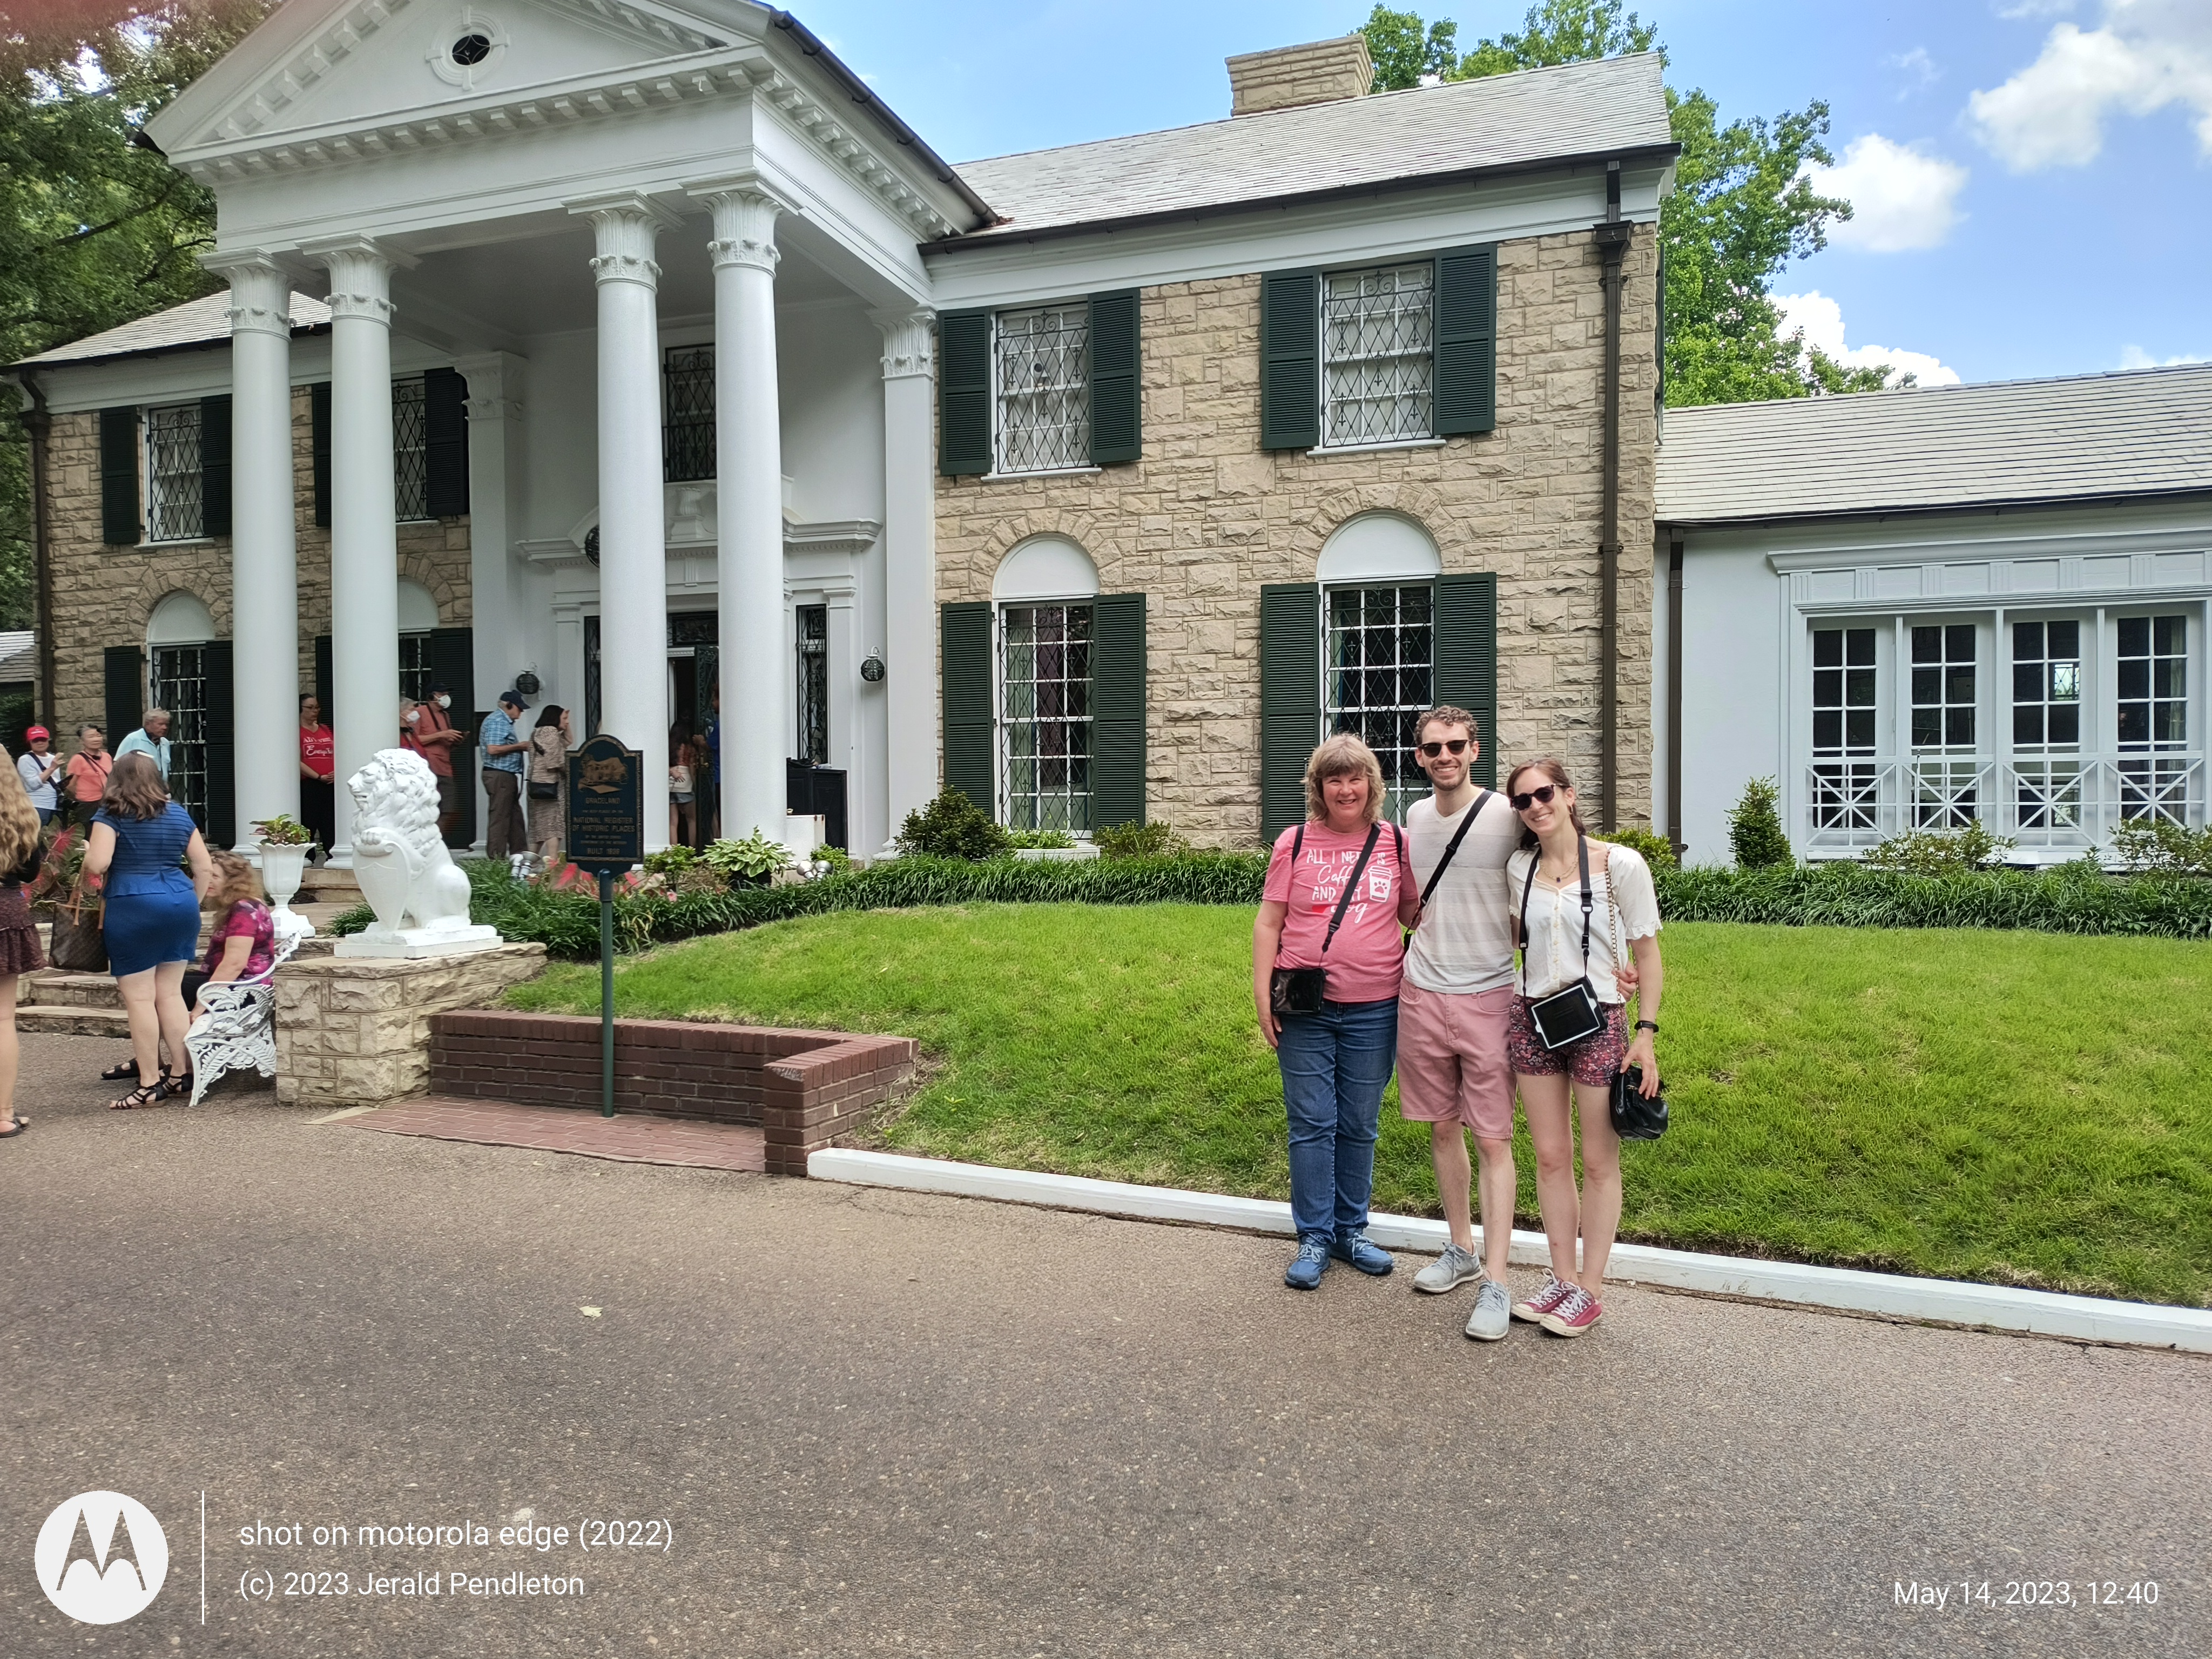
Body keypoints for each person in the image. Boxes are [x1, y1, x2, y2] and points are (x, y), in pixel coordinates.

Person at [1503, 757, 1665, 1339]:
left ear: (1568, 796)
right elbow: (1513, 938)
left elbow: (1646, 955)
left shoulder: (1619, 864)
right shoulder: (1518, 866)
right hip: (1532, 1019)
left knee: (1598, 1161)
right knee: (1550, 1156)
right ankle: (1562, 1278)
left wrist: (1645, 1034)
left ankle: (1590, 1290)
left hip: (1599, 1020)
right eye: (1522, 800)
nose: (1535, 806)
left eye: (1544, 793)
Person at [1253, 733, 1419, 1290]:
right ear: (1319, 788)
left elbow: (1415, 914)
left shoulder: (1396, 843)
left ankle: (1351, 1230)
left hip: (1376, 1005)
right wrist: (1260, 993)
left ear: (1371, 785)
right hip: (1303, 1005)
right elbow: (1269, 922)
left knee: (1358, 1123)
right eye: (1334, 779)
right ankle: (1315, 1236)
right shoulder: (1294, 843)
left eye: (1355, 778)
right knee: (1310, 1123)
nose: (1345, 788)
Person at [1396, 705, 1529, 1341]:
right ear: (1418, 757)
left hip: (1489, 994)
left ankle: (1498, 1281)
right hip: (1420, 992)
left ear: (1476, 750)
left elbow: (1557, 872)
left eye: (1454, 746)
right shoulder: (1415, 818)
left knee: (1493, 1139)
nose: (1443, 756)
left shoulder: (1509, 815)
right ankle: (1460, 1251)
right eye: (1431, 749)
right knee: (1442, 1130)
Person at [85, 752, 213, 1109]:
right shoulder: (177, 812)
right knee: (169, 994)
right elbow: (204, 867)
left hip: (133, 904)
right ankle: (183, 1073)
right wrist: (193, 902)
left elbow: (99, 863)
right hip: (179, 903)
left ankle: (149, 1082)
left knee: (140, 999)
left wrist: (86, 856)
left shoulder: (111, 814)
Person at [0, 748, 46, 1137]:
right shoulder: (22, 817)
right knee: (2, 1019)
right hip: (5, 909)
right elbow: (32, 870)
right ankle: (3, 1114)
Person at [187, 850, 276, 1015]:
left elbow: (234, 964)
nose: (208, 882)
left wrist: (201, 1005)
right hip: (234, 983)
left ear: (233, 882)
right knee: (166, 985)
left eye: (215, 876)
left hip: (242, 989)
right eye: (206, 876)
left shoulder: (245, 909)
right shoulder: (243, 905)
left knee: (165, 992)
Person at [407, 681, 466, 844]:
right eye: (441, 694)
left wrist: (455, 740)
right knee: (425, 809)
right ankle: (425, 843)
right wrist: (441, 735)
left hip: (445, 767)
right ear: (432, 696)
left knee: (449, 808)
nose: (446, 697)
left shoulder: (446, 716)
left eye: (447, 694)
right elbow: (412, 740)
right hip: (427, 768)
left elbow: (444, 739)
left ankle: (435, 841)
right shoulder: (418, 712)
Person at [480, 689, 531, 861]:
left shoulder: (504, 722)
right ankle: (496, 861)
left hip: (506, 776)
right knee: (500, 819)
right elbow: (492, 749)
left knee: (515, 818)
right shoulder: (497, 721)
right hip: (499, 775)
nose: (521, 712)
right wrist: (519, 746)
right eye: (519, 708)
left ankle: (521, 855)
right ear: (509, 705)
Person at [527, 705, 570, 868]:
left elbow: (568, 741)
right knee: (553, 824)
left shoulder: (536, 733)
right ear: (555, 718)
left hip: (536, 786)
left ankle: (528, 865)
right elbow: (556, 761)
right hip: (551, 786)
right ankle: (552, 864)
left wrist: (566, 724)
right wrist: (572, 772)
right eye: (564, 719)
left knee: (538, 827)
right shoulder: (551, 733)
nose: (567, 723)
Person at [298, 694, 335, 857]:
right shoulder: (297, 731)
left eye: (317, 707)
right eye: (310, 708)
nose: (315, 711)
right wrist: (318, 776)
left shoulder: (325, 730)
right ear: (300, 709)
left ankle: (332, 853)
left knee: (330, 823)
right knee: (309, 823)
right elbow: (296, 760)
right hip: (311, 783)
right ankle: (308, 856)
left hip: (331, 783)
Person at [65, 724, 112, 831]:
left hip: (106, 801)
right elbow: (70, 785)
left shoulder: (107, 756)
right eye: (91, 737)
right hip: (87, 804)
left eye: (98, 735)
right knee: (87, 833)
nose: (96, 739)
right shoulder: (78, 759)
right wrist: (82, 797)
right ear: (82, 741)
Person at [17, 727, 62, 826]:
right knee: (38, 839)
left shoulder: (53, 758)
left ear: (48, 740)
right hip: (37, 806)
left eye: (43, 739)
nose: (40, 743)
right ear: (30, 742)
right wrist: (51, 768)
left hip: (55, 806)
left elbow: (56, 781)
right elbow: (33, 785)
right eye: (36, 740)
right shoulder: (25, 760)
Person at [115, 708, 173, 778]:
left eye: (167, 724)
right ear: (147, 724)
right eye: (160, 724)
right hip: (139, 787)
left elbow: (167, 770)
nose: (165, 728)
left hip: (160, 788)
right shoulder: (133, 739)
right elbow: (118, 765)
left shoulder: (165, 743)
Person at [669, 737, 696, 849]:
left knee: (673, 822)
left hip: (671, 785)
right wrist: (695, 784)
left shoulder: (670, 746)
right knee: (692, 820)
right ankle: (692, 850)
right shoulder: (689, 748)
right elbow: (692, 768)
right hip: (685, 785)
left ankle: (674, 852)